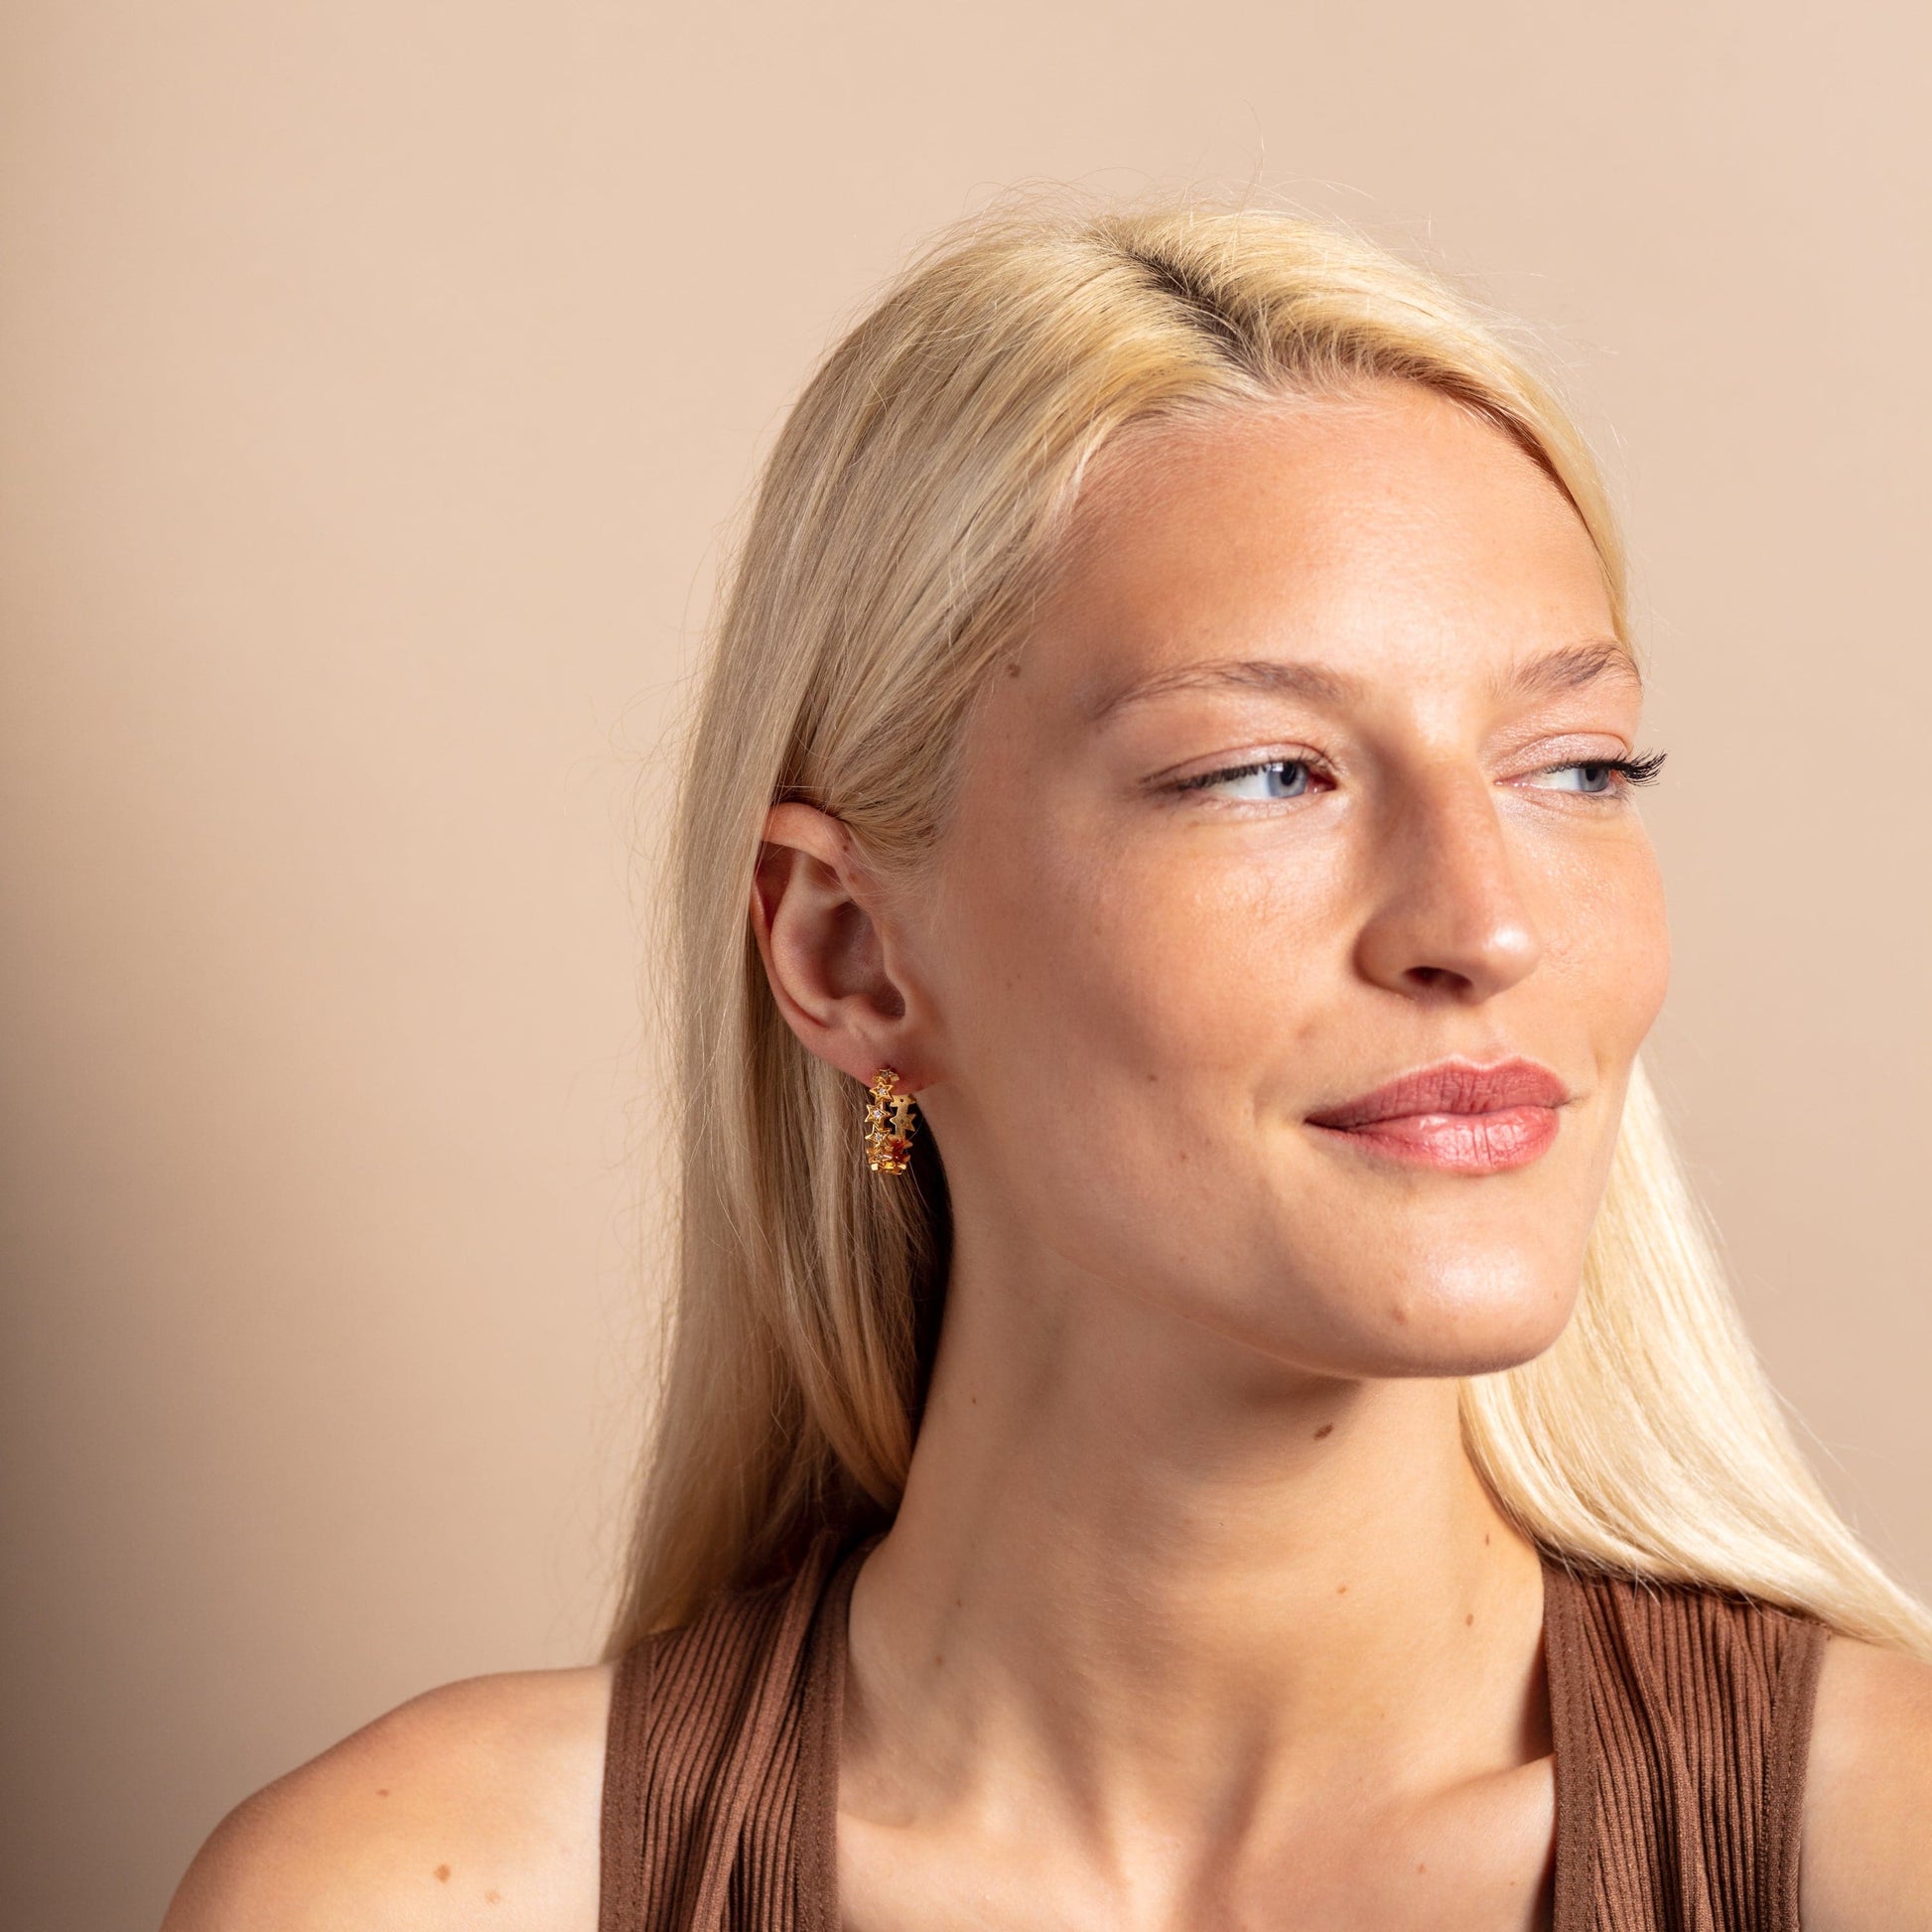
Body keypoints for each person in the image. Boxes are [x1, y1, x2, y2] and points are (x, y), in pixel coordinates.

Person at [163, 197, 1932, 1932]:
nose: (1482, 924)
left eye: (1574, 769)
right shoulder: (419, 1893)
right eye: (1262, 772)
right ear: (846, 954)